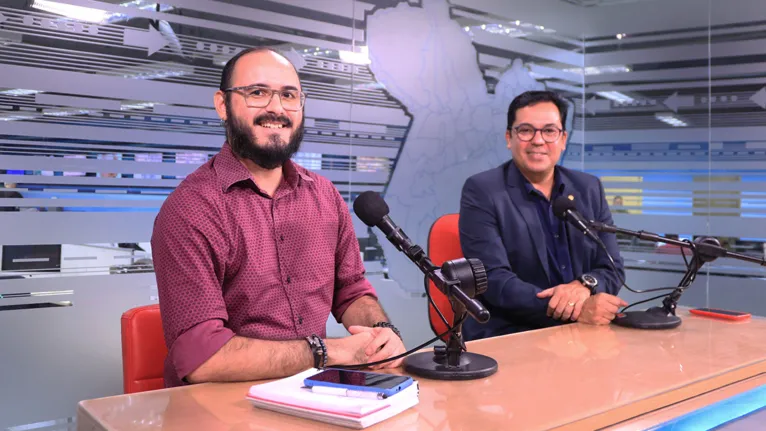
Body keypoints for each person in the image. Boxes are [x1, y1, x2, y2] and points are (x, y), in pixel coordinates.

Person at [151, 47, 405, 387]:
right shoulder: (191, 209)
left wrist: (380, 333)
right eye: (257, 93)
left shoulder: (324, 196)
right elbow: (203, 359)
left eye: (289, 95)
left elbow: (350, 290)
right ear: (222, 105)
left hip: (316, 395)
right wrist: (329, 352)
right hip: (223, 407)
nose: (276, 108)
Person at [458, 91, 627, 341]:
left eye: (549, 131)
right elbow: (494, 280)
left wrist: (585, 285)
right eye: (526, 130)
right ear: (509, 138)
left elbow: (612, 267)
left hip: (583, 334)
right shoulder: (483, 190)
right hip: (511, 333)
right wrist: (576, 310)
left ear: (563, 139)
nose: (538, 141)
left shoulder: (588, 188)